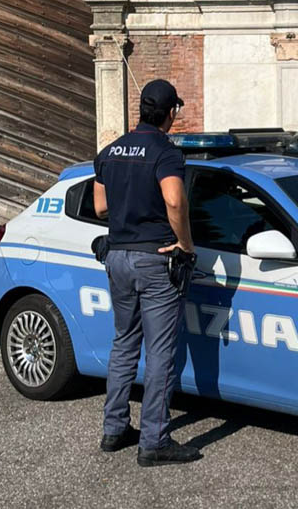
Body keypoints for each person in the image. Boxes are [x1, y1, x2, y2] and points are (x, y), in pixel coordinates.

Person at [92, 78, 201, 467]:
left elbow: (100, 207)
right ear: (170, 113)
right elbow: (174, 201)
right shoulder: (165, 152)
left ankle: (114, 429)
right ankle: (154, 440)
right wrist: (186, 245)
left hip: (117, 258)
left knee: (124, 343)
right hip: (155, 260)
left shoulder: (109, 151)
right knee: (159, 352)